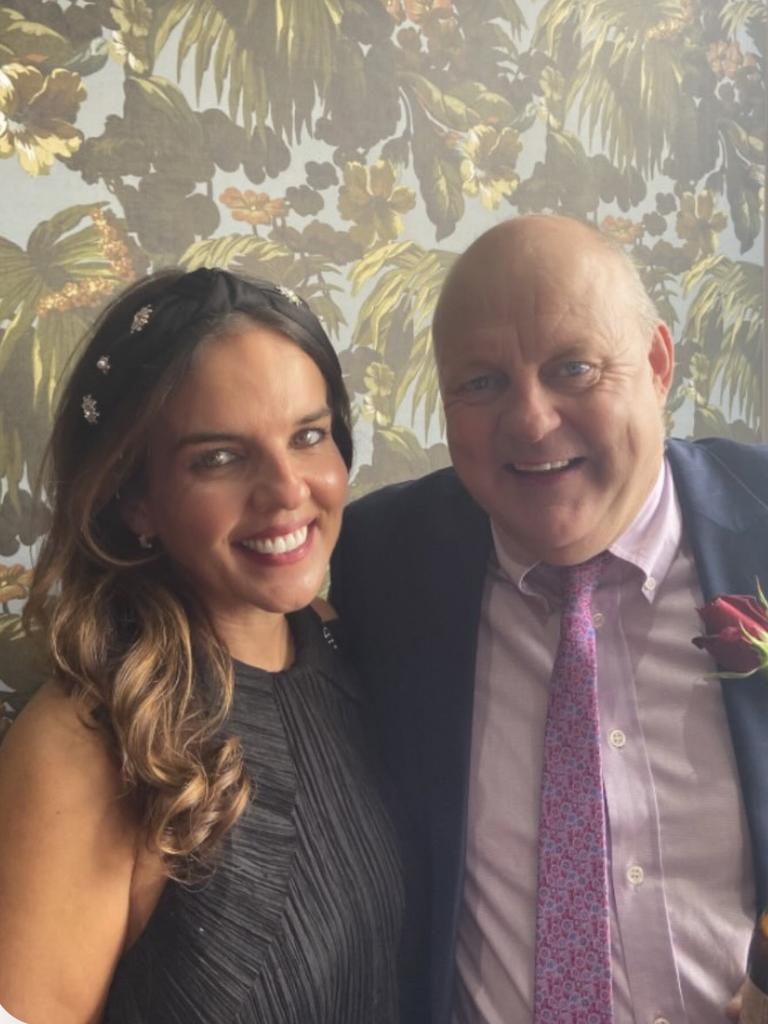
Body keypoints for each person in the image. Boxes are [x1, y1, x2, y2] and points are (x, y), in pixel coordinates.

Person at [331, 215, 768, 1024]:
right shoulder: (375, 562)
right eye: (483, 383)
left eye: (574, 368)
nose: (531, 421)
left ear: (657, 364)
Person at [0, 268, 402, 1024]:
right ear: (136, 498)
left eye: (308, 436)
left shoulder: (352, 653)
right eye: (219, 457)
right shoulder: (88, 744)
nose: (287, 489)